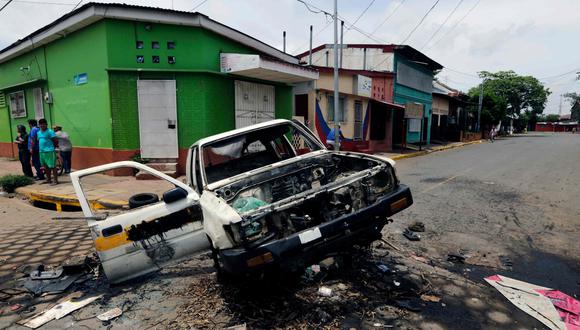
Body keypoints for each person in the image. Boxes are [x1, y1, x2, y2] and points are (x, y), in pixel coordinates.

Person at [37, 119, 59, 185]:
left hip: (50, 151)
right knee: (45, 167)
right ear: (39, 125)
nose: (42, 125)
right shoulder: (38, 132)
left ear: (46, 124)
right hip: (41, 152)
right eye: (41, 124)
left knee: (52, 166)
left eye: (43, 124)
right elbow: (39, 141)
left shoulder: (50, 132)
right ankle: (48, 179)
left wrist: (53, 148)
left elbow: (55, 140)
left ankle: (55, 181)